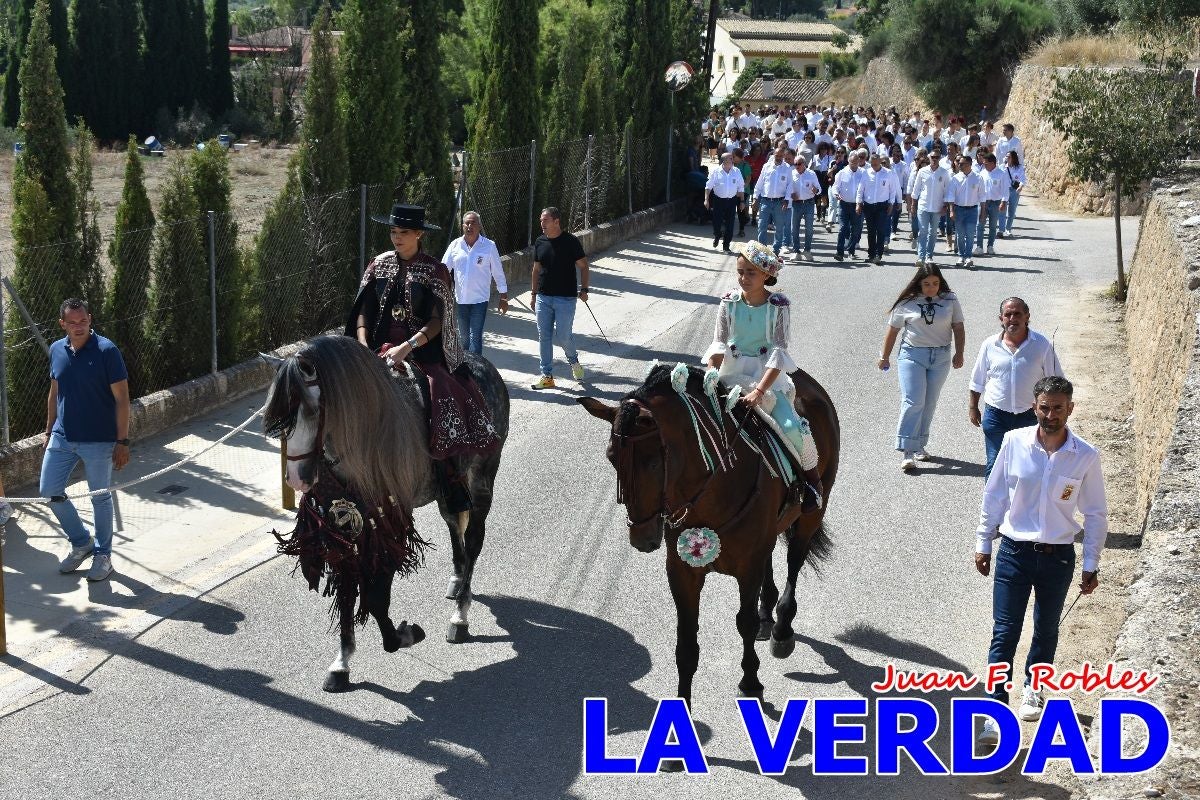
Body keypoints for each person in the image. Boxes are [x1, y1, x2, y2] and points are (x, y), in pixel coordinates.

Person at [974, 376, 1105, 746]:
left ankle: (1036, 686)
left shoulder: (1085, 457)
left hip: (1057, 559)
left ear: (1070, 409)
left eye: (1058, 408)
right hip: (1014, 553)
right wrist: (984, 542)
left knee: (1046, 629)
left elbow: (1095, 514)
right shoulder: (1014, 443)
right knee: (1004, 632)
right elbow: (994, 494)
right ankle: (995, 714)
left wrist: (1090, 562)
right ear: (1035, 407)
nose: (1050, 415)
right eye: (1044, 408)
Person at [346, 203, 500, 510]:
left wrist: (408, 346)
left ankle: (449, 475)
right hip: (374, 351)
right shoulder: (377, 265)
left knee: (439, 392)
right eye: (393, 231)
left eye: (404, 232)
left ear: (418, 234)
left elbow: (437, 319)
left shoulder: (434, 270)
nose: (397, 238)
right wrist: (362, 345)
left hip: (422, 352)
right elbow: (361, 311)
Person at [704, 240, 823, 510]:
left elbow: (778, 352)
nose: (744, 278)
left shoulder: (778, 306)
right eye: (741, 272)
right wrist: (712, 371)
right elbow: (719, 344)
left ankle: (813, 483)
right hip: (729, 375)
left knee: (792, 428)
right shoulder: (728, 303)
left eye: (751, 273)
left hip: (765, 379)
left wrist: (759, 392)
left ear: (767, 275)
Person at [42, 298, 130, 582]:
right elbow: (55, 393)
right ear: (62, 324)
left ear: (90, 319)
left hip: (99, 440)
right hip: (62, 436)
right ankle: (81, 543)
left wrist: (122, 441)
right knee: (50, 491)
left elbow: (122, 399)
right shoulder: (56, 350)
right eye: (72, 322)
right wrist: (48, 431)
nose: (78, 327)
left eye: (83, 321)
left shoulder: (107, 351)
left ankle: (104, 556)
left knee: (100, 498)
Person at [877, 265, 965, 471]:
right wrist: (884, 356)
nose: (931, 288)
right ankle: (907, 450)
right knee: (913, 400)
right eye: (926, 284)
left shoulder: (950, 299)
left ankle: (920, 445)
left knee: (929, 402)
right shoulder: (907, 302)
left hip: (941, 356)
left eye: (935, 283)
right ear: (919, 284)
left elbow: (958, 326)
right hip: (912, 355)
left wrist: (959, 353)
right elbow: (893, 330)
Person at [969, 297, 1064, 476]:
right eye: (1008, 314)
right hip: (996, 415)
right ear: (1001, 319)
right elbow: (977, 379)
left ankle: (1021, 504)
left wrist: (1057, 413)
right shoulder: (989, 345)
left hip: (1029, 416)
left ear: (1027, 316)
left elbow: (1056, 381)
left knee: (1027, 466)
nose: (1012, 318)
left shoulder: (1042, 345)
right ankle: (993, 505)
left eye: (1017, 314)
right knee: (995, 465)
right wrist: (973, 407)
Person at [530, 207, 589, 389]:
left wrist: (585, 289)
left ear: (556, 221)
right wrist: (533, 294)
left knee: (563, 336)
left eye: (545, 220)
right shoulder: (540, 241)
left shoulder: (570, 241)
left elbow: (584, 266)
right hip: (543, 298)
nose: (542, 224)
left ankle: (574, 361)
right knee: (544, 336)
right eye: (541, 221)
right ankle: (547, 375)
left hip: (566, 299)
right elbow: (536, 269)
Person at [441, 211, 509, 356]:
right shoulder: (455, 245)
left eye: (473, 223)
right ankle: (465, 370)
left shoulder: (489, 246)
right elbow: (443, 269)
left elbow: (498, 272)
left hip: (480, 300)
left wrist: (503, 297)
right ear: (462, 225)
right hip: (461, 300)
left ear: (479, 226)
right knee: (464, 339)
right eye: (467, 223)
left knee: (475, 337)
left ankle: (476, 374)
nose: (469, 226)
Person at [910, 150, 951, 267]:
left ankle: (929, 256)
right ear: (929, 158)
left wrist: (945, 206)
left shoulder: (944, 173)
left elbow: (947, 191)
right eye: (933, 157)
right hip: (923, 206)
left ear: (939, 158)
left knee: (933, 233)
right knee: (922, 231)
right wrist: (913, 205)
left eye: (937, 157)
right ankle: (921, 257)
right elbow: (916, 190)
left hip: (937, 208)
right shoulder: (922, 171)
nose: (935, 159)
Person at [752, 144, 794, 258]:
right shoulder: (766, 166)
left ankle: (775, 250)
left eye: (781, 155)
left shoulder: (787, 168)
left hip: (780, 202)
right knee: (762, 226)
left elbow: (790, 185)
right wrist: (755, 198)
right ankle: (763, 250)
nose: (778, 157)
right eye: (777, 155)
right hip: (765, 201)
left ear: (784, 156)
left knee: (779, 227)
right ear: (773, 155)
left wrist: (786, 200)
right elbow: (760, 183)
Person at [856, 152, 898, 265]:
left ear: (880, 162)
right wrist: (858, 203)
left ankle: (879, 255)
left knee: (880, 230)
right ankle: (871, 254)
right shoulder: (866, 173)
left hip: (882, 206)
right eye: (872, 164)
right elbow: (860, 189)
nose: (874, 166)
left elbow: (892, 190)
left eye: (876, 164)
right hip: (868, 206)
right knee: (871, 231)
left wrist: (891, 204)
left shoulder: (888, 173)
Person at [704, 152, 745, 253]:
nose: (733, 160)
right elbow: (708, 187)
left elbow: (741, 187)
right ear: (724, 161)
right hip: (718, 200)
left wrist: (742, 201)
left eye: (732, 158)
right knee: (716, 222)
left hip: (732, 201)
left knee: (730, 224)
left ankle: (726, 245)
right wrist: (706, 199)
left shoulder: (737, 171)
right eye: (731, 158)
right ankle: (717, 235)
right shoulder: (715, 171)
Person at [948, 155, 984, 269]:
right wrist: (951, 211)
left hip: (972, 210)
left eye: (962, 164)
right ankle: (961, 256)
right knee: (960, 234)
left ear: (969, 164)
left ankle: (968, 256)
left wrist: (983, 212)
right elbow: (951, 196)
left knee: (969, 235)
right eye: (959, 163)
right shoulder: (955, 178)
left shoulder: (978, 178)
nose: (959, 165)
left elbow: (982, 197)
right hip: (959, 209)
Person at [832, 149, 864, 262]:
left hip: (857, 205)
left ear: (859, 162)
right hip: (844, 204)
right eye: (852, 162)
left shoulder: (863, 173)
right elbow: (835, 187)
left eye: (856, 162)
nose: (854, 165)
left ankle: (851, 250)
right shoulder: (842, 173)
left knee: (856, 229)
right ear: (848, 162)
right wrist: (836, 194)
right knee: (843, 228)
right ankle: (839, 252)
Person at [789, 155, 820, 262]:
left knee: (809, 228)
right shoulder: (791, 174)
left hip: (809, 203)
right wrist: (791, 195)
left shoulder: (811, 174)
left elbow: (819, 189)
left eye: (799, 164)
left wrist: (816, 190)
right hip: (796, 204)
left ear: (804, 164)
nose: (797, 166)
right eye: (795, 164)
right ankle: (796, 251)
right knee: (794, 228)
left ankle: (807, 250)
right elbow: (787, 188)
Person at [976, 153, 1008, 256]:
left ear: (993, 163)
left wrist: (1003, 202)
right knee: (980, 225)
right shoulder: (982, 173)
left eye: (986, 163)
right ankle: (979, 247)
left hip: (995, 203)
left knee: (993, 226)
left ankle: (990, 246)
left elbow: (1005, 190)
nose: (984, 165)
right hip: (983, 203)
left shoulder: (1001, 174)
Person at [998, 150, 1026, 237]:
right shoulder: (1001, 167)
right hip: (1004, 190)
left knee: (1012, 211)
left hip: (1014, 191)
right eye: (1006, 156)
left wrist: (1020, 187)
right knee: (1002, 210)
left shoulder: (1019, 168)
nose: (1007, 158)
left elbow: (1022, 179)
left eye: (1009, 157)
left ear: (1013, 158)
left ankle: (1008, 229)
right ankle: (1001, 230)